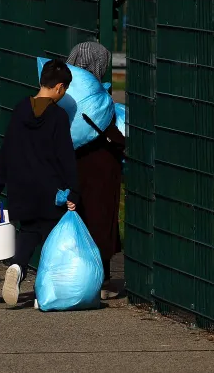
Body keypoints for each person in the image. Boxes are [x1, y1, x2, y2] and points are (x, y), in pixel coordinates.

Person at [0, 59, 79, 306]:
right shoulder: (58, 117)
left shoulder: (20, 109)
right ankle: (44, 292)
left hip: (21, 187)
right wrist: (73, 190)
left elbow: (7, 147)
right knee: (50, 241)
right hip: (49, 189)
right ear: (60, 88)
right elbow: (65, 156)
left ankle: (17, 267)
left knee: (28, 231)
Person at [67, 41, 126, 300]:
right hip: (102, 164)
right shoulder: (98, 97)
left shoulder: (64, 92)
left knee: (74, 216)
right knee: (101, 218)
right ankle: (99, 279)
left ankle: (73, 273)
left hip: (70, 163)